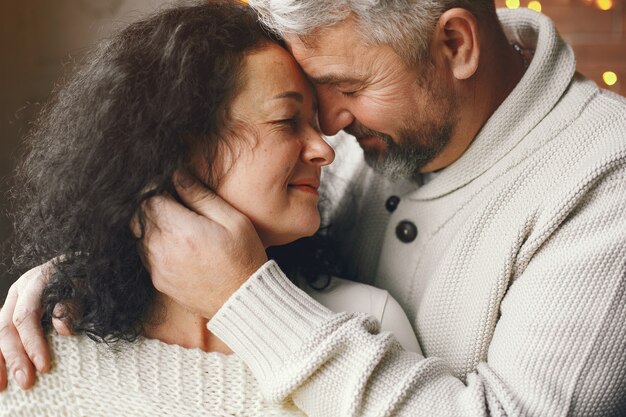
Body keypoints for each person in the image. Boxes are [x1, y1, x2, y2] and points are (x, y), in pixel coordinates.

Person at [2, 0, 625, 416]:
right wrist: (94, 268)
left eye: (348, 88)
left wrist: (246, 300)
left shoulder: (605, 174)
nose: (329, 131)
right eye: (305, 100)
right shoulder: (372, 132)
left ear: (456, 45)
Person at [0, 2, 420, 415]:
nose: (325, 150)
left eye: (314, 122)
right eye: (287, 120)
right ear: (177, 148)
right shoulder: (41, 343)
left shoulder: (369, 321)